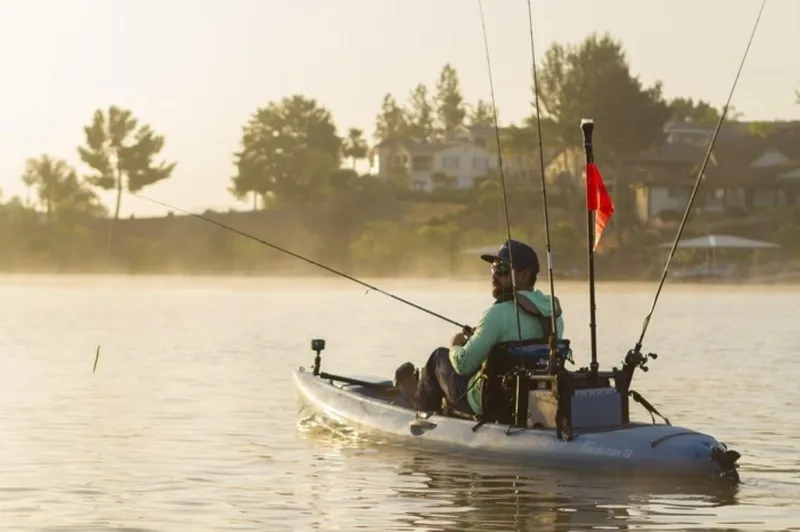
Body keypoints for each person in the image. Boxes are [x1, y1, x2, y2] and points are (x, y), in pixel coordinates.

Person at [394, 239, 565, 416]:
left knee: (438, 357)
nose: (494, 276)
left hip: (490, 401)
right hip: (527, 399)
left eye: (502, 270)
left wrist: (455, 345)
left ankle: (421, 413)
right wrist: (482, 338)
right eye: (493, 269)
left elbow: (463, 365)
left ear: (524, 275)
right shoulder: (553, 312)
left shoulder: (496, 313)